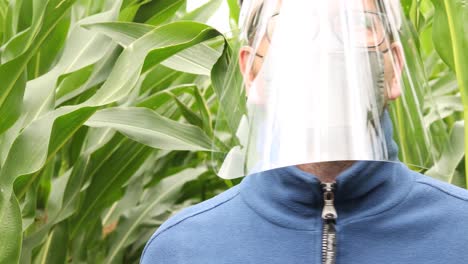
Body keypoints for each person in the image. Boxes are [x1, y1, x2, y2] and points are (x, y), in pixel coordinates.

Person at [141, 0, 468, 263]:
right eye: (293, 25)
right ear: (251, 73)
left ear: (395, 68)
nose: (327, 49)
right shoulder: (182, 249)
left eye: (356, 23)